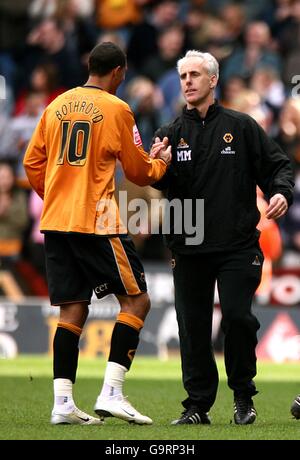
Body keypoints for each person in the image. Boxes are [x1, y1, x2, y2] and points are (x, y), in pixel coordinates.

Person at [23, 41, 171, 426]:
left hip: (56, 221)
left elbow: (31, 161)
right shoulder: (116, 108)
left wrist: (55, 195)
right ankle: (112, 393)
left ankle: (62, 403)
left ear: (90, 66)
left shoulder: (55, 105)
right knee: (137, 302)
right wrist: (161, 164)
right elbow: (139, 172)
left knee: (72, 308)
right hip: (96, 219)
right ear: (119, 72)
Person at [151, 50, 294, 425]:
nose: (187, 81)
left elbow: (278, 165)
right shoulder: (169, 133)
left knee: (237, 317)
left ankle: (243, 397)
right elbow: (157, 180)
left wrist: (280, 192)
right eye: (183, 76)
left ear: (213, 80)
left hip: (237, 244)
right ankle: (197, 406)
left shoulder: (242, 126)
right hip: (188, 244)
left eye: (195, 74)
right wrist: (156, 168)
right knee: (193, 325)